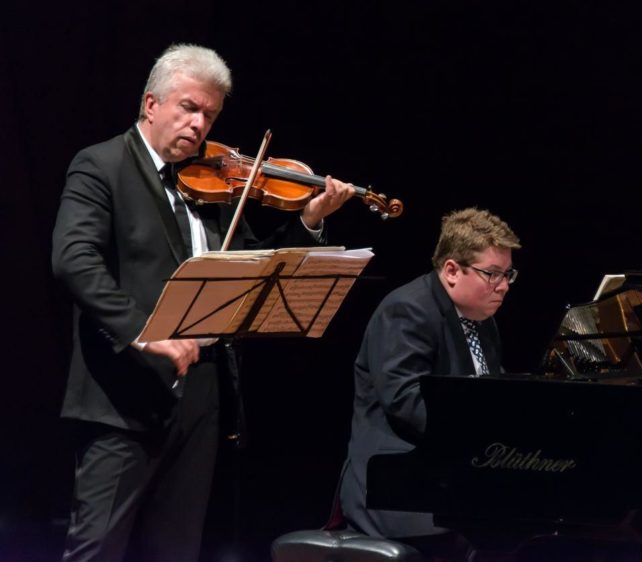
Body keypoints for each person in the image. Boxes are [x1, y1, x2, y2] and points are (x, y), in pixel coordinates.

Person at [51, 43, 354, 562]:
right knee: (97, 548)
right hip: (123, 392)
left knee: (176, 549)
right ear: (151, 104)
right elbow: (73, 261)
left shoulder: (210, 183)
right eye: (188, 108)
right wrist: (145, 331)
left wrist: (308, 220)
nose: (199, 125)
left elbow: (248, 269)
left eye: (209, 115)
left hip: (202, 395)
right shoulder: (101, 165)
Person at [339, 207, 521, 560]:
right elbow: (406, 401)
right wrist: (480, 441)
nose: (503, 286)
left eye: (508, 274)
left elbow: (490, 393)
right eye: (492, 274)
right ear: (451, 270)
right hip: (399, 487)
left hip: (453, 475)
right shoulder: (407, 310)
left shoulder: (482, 318)